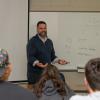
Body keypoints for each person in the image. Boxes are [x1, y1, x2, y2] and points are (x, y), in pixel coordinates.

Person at [27, 21, 69, 87]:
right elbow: (30, 57)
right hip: (36, 74)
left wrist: (59, 61)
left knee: (61, 77)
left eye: (45, 28)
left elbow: (52, 56)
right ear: (37, 29)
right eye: (41, 28)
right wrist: (38, 63)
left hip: (48, 72)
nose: (43, 30)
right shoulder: (32, 41)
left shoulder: (49, 42)